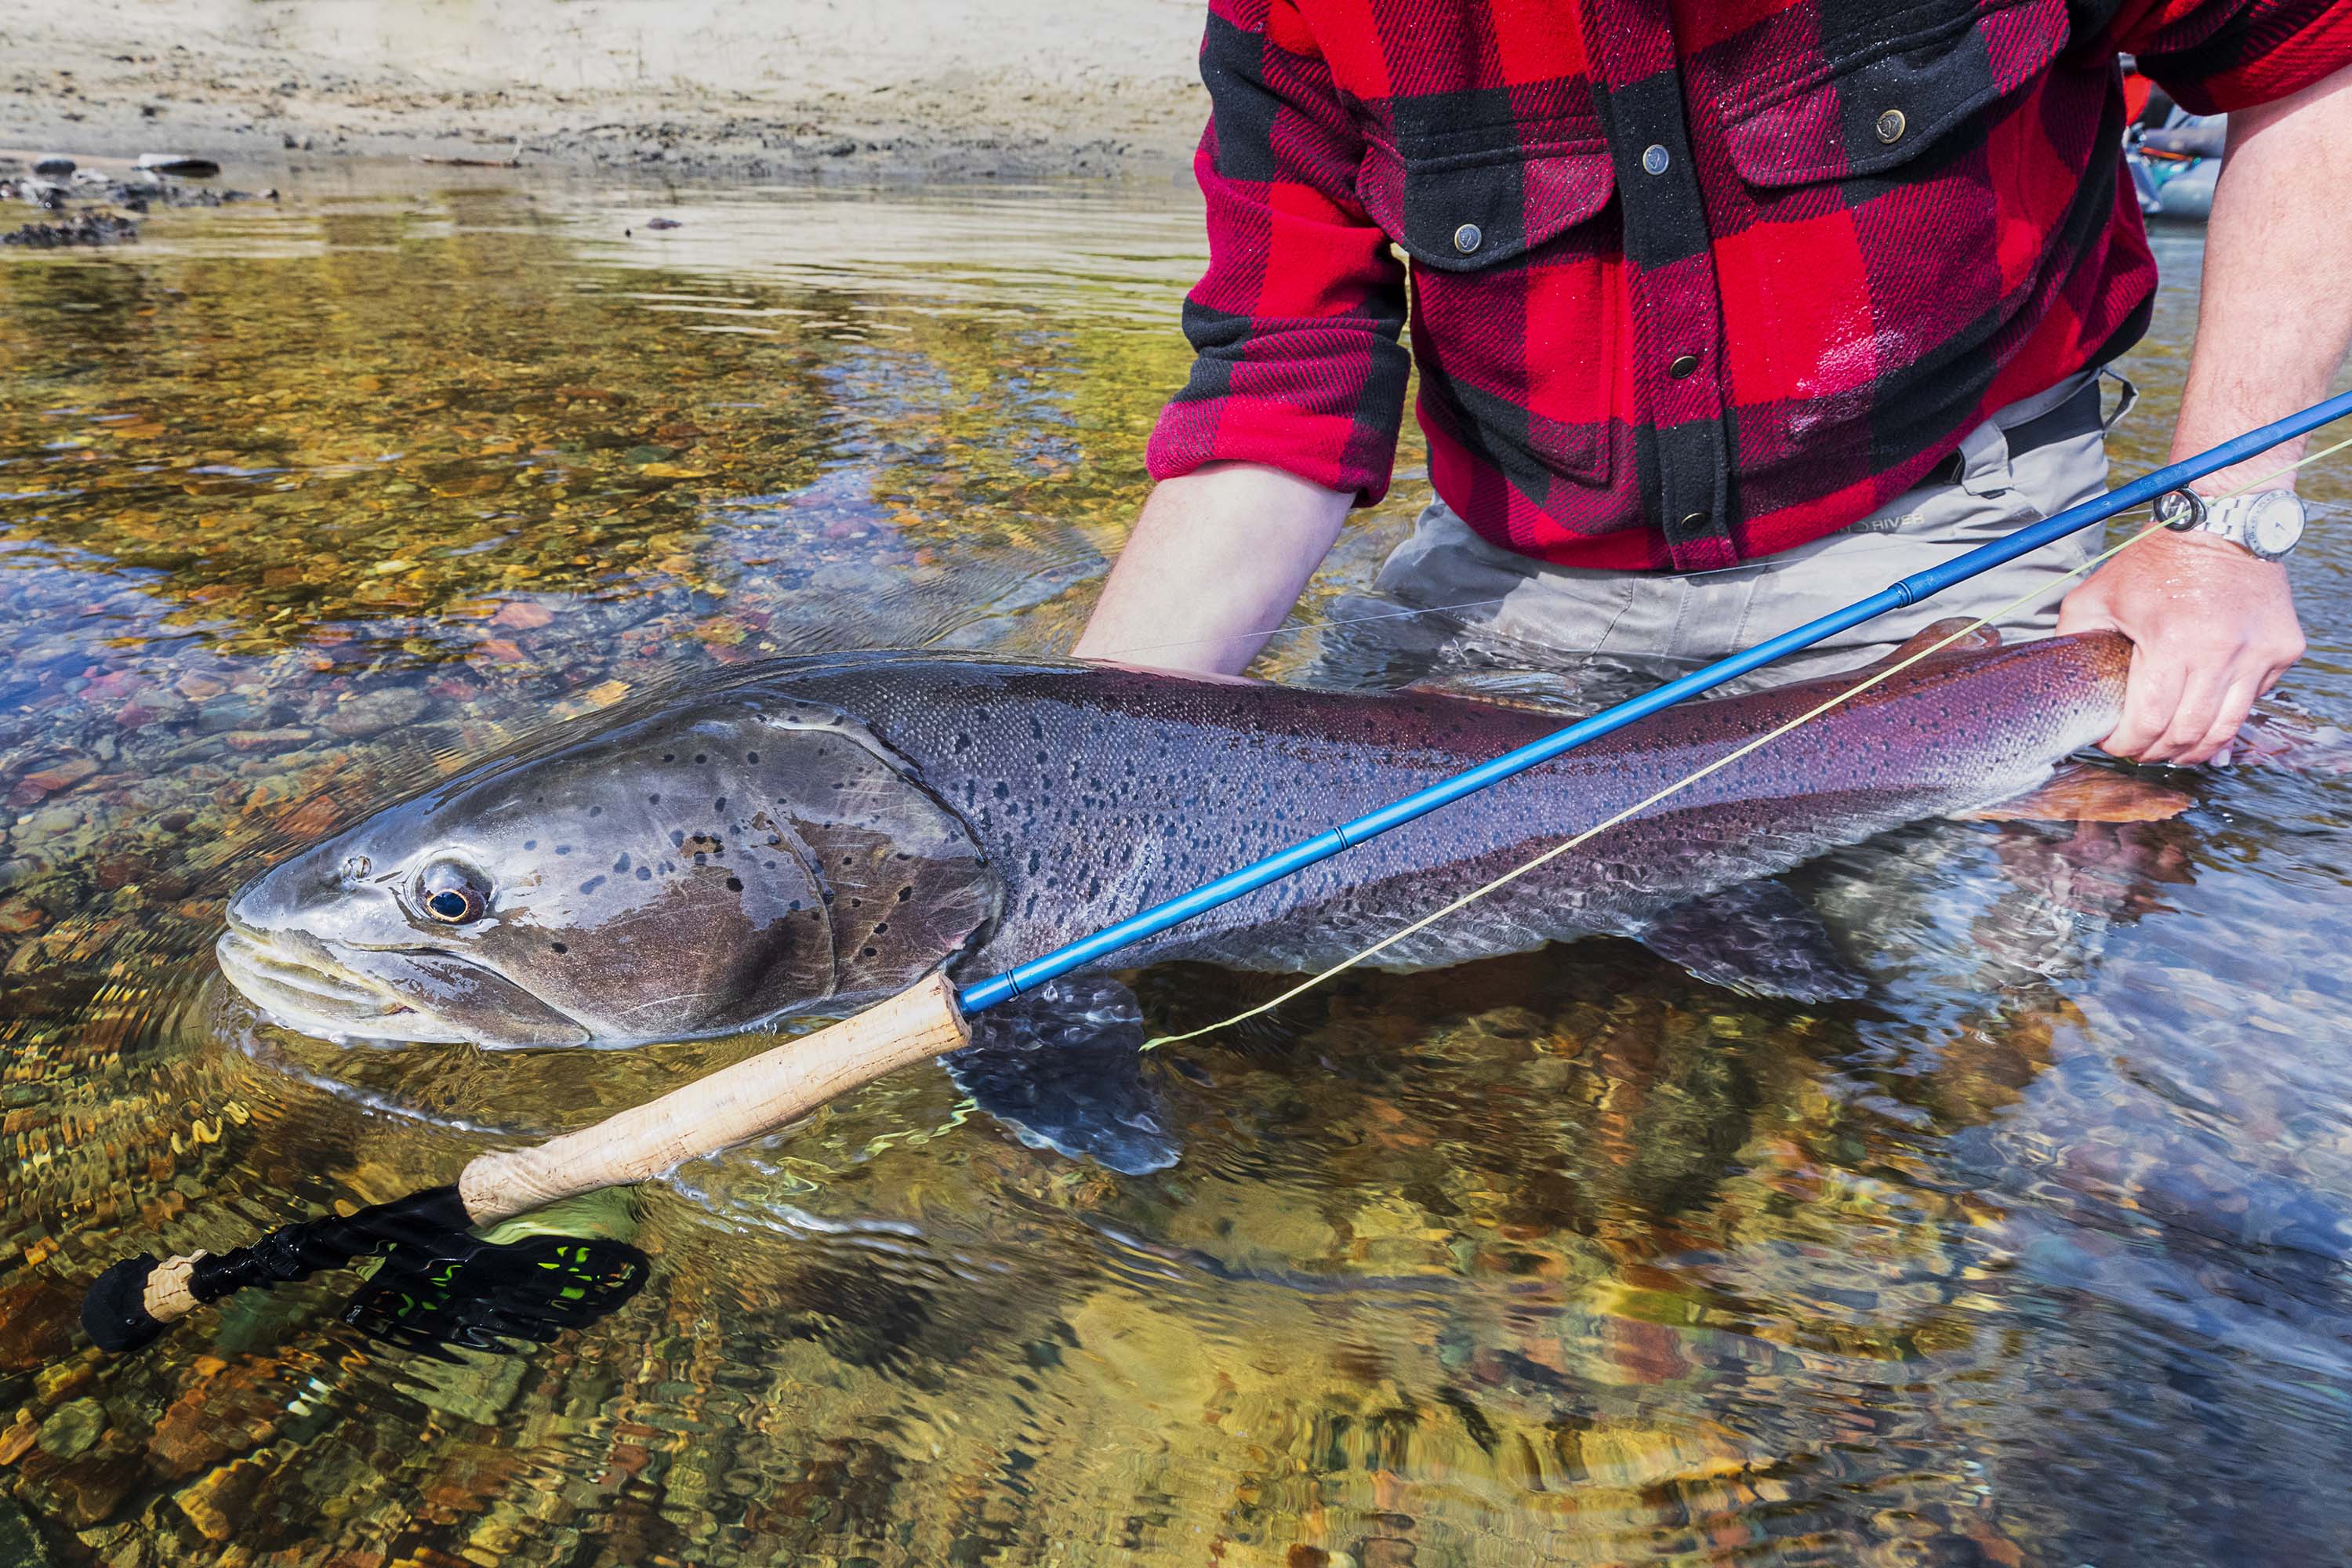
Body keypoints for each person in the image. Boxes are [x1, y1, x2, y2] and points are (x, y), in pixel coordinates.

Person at [1075, 2, 2352, 767]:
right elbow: (1284, 371)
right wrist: (1089, 746)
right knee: (1290, 953)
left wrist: (2222, 534)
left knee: (1997, 992)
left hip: (1944, 521)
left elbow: (2308, 57)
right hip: (1528, 572)